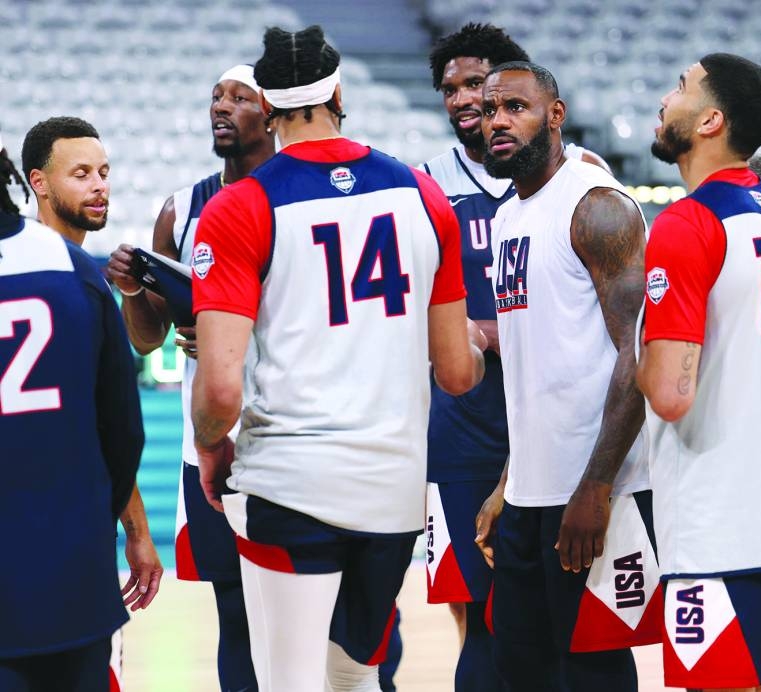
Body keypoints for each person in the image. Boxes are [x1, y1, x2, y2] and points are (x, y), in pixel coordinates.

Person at [190, 25, 485, 692]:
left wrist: (212, 450)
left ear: (264, 106)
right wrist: (484, 349)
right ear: (339, 93)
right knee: (354, 676)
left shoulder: (240, 206)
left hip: (292, 479)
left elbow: (219, 390)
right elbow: (458, 373)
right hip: (393, 488)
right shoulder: (422, 194)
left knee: (289, 680)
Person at [422, 22, 608, 692]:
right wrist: (460, 332)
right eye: (454, 89)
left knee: (576, 632)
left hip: (562, 428)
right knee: (480, 611)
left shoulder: (583, 180)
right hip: (468, 424)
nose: (470, 101)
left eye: (483, 86)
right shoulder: (425, 184)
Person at [635, 54, 761, 692]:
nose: (665, 100)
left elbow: (668, 394)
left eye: (680, 87)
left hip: (718, 518)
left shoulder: (687, 223)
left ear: (711, 120)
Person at [472, 60, 655, 692]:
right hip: (531, 490)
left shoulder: (596, 206)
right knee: (519, 670)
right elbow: (533, 371)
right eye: (490, 109)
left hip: (595, 492)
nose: (497, 120)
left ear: (556, 114)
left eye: (515, 107)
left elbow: (640, 353)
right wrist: (507, 483)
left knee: (591, 673)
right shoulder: (507, 217)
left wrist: (597, 486)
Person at [105, 65, 274, 692]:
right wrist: (131, 290)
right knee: (233, 611)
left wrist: (234, 328)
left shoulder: (296, 197)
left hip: (286, 433)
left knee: (309, 612)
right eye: (216, 97)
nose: (221, 107)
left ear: (272, 112)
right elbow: (147, 337)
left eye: (239, 98)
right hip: (205, 442)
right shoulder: (182, 207)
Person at [20, 115, 162, 691]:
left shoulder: (89, 275)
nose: (100, 185)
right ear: (39, 183)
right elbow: (110, 428)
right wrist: (138, 530)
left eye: (104, 172)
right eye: (81, 174)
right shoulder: (70, 279)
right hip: (65, 532)